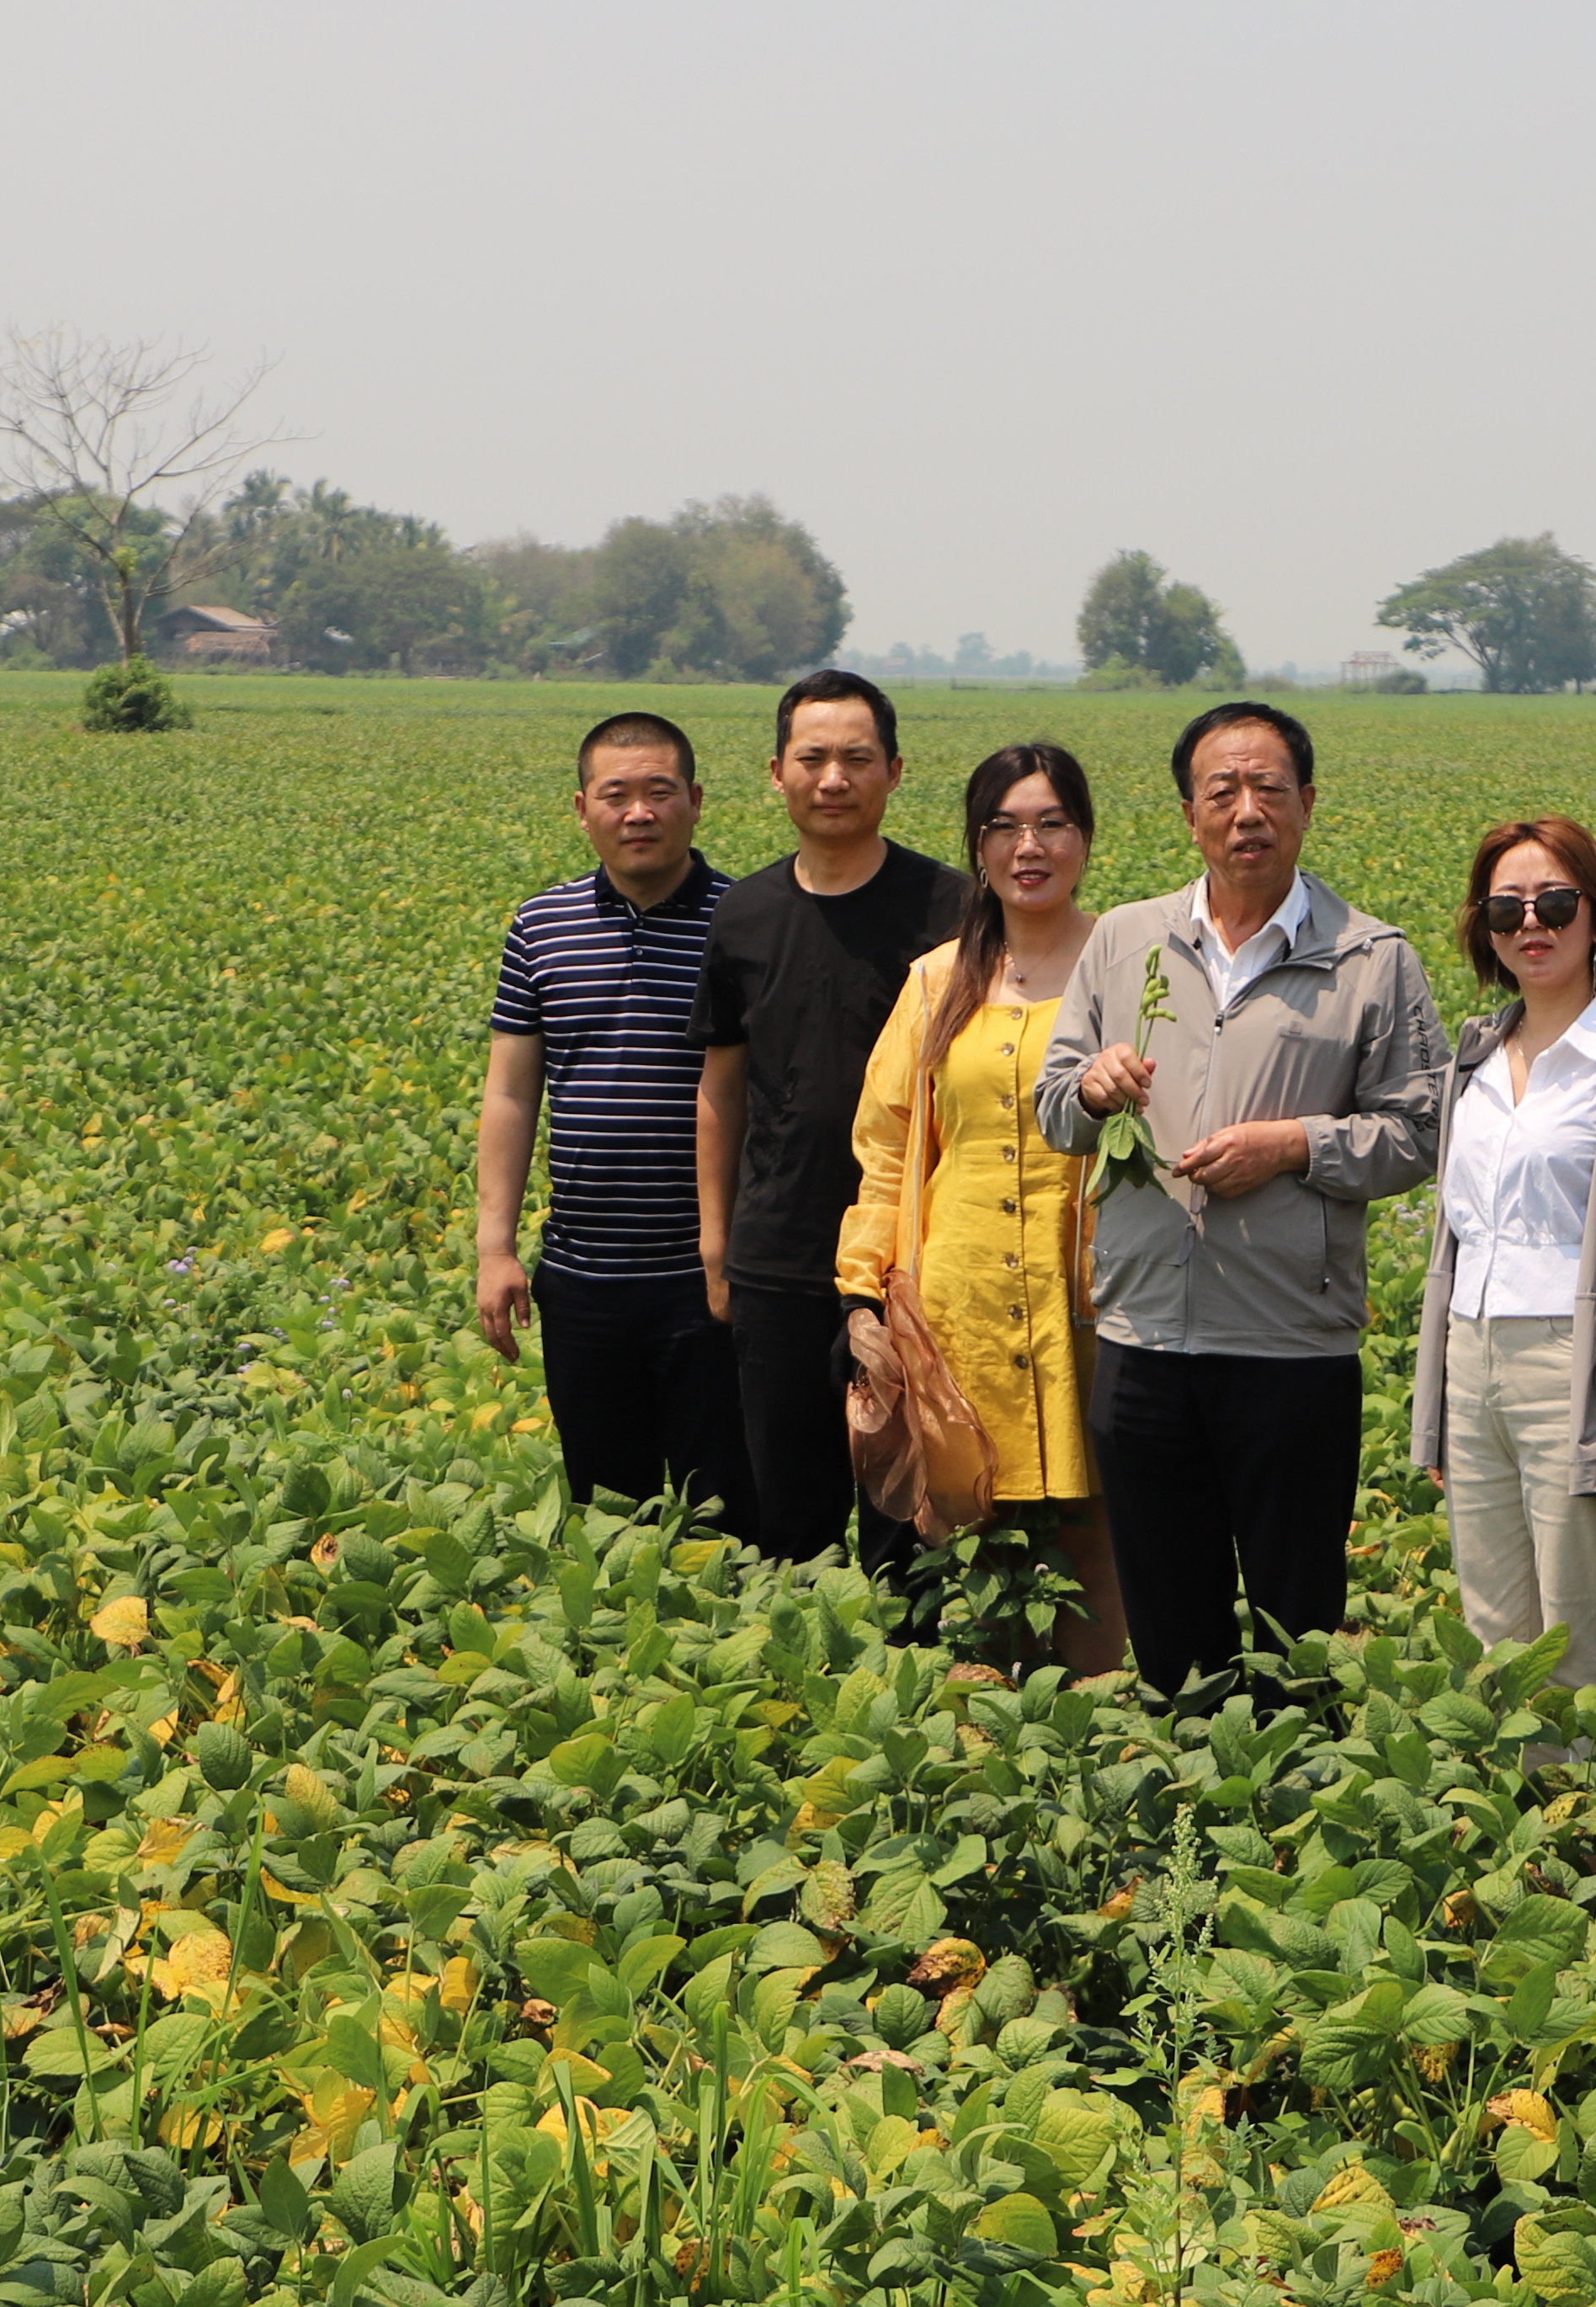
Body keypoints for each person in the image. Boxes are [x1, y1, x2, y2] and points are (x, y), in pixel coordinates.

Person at [1033, 700, 1449, 1697]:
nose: (1247, 810)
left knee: (1293, 1624)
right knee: (1168, 1625)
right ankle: (1189, 1776)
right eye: (1222, 790)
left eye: (1269, 787)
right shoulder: (1125, 941)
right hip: (1143, 1334)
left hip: (1289, 1344)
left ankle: (1292, 1776)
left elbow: (1423, 1129)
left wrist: (1295, 1144)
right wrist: (1092, 1087)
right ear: (1190, 814)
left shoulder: (1371, 957)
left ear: (1308, 803)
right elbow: (1054, 1104)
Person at [834, 743, 1130, 1677]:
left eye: (1051, 824)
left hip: (1089, 1290)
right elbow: (888, 1145)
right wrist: (865, 1287)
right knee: (980, 1522)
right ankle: (994, 1719)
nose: (1027, 847)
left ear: (1085, 837)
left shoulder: (1129, 969)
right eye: (1003, 826)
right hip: (959, 1295)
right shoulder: (937, 981)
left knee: (1095, 1522)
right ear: (976, 845)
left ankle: (1095, 1712)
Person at [1406, 816, 1596, 1688]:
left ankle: (1588, 1783)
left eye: (1555, 903)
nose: (1531, 923)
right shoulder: (1476, 1057)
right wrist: (1440, 1390)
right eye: (1506, 908)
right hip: (1472, 1354)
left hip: (1580, 1364)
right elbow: (1456, 1239)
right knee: (1494, 1638)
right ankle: (1512, 1779)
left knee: (1580, 1639)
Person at [695, 670, 964, 1561]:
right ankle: (802, 1644)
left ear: (895, 771)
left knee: (908, 1516)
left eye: (857, 758)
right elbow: (721, 1087)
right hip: (777, 1253)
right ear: (778, 772)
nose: (834, 778)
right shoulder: (745, 913)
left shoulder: (954, 910)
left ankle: (910, 1646)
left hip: (912, 1254)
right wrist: (717, 1243)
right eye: (812, 758)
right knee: (789, 1507)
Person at [475, 710, 746, 1511]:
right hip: (583, 1278)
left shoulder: (748, 922)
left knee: (728, 1516)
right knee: (603, 1511)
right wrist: (495, 1248)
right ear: (582, 808)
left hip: (715, 1277)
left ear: (696, 801)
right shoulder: (541, 926)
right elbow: (510, 1094)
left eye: (660, 792)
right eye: (616, 794)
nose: (639, 813)